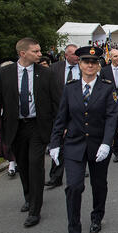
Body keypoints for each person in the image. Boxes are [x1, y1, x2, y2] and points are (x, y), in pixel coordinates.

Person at [0, 38, 60, 228]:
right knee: (24, 166)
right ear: (23, 53)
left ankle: (35, 210)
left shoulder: (46, 74)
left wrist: (60, 127)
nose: (39, 54)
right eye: (35, 51)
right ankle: (28, 196)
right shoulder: (4, 74)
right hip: (15, 127)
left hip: (37, 126)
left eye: (39, 50)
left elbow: (56, 102)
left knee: (36, 165)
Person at [49, 46, 118, 233]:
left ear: (98, 66)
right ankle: (74, 226)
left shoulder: (107, 87)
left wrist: (106, 142)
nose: (90, 65)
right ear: (79, 64)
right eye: (86, 62)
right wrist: (54, 143)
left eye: (94, 62)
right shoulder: (70, 88)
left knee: (99, 184)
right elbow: (61, 117)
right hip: (74, 144)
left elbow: (112, 117)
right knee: (73, 186)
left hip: (98, 145)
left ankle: (97, 216)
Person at [47, 44, 79, 189]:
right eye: (74, 54)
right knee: (57, 145)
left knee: (77, 143)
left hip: (78, 114)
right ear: (66, 55)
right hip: (58, 114)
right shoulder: (54, 69)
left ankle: (78, 168)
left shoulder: (84, 68)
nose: (77, 56)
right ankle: (55, 176)